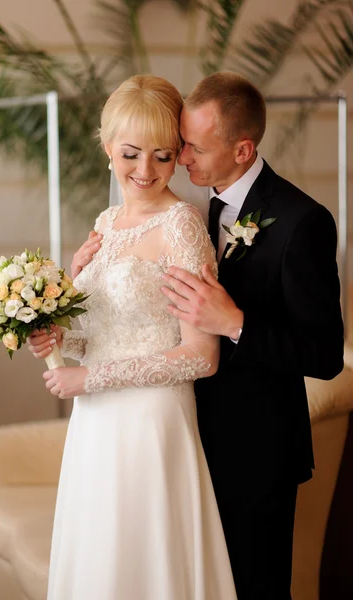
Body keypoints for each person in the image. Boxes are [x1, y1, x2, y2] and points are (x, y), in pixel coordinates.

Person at [73, 71, 345, 600]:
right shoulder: (190, 212)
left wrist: (235, 324)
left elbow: (325, 353)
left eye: (191, 148)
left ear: (243, 149)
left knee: (253, 587)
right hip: (180, 435)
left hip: (254, 448)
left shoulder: (300, 221)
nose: (182, 159)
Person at [27, 75, 237, 600]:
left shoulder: (183, 224)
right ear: (107, 147)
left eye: (164, 157)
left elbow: (201, 355)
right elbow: (99, 332)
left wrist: (89, 376)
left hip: (150, 423)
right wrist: (58, 334)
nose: (145, 171)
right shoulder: (107, 221)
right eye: (131, 153)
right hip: (95, 421)